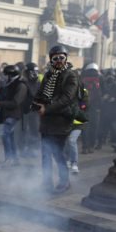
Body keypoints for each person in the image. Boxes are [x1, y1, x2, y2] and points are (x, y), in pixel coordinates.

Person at [33, 45, 78, 194]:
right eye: (55, 58)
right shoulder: (48, 75)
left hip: (61, 121)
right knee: (45, 155)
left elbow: (66, 98)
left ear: (66, 58)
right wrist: (37, 104)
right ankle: (46, 183)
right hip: (46, 122)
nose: (59, 61)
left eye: (62, 57)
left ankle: (65, 182)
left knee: (58, 154)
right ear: (51, 60)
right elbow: (40, 93)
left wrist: (47, 107)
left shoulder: (71, 75)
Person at [0, 65, 26, 165]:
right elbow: (4, 95)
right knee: (10, 136)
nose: (4, 77)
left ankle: (9, 158)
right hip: (7, 114)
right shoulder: (10, 84)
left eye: (6, 75)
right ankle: (14, 159)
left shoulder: (21, 85)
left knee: (5, 134)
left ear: (11, 75)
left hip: (13, 115)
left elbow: (15, 102)